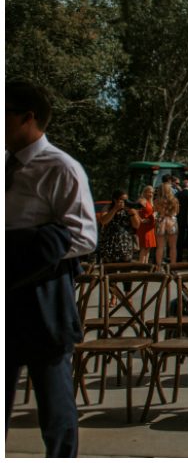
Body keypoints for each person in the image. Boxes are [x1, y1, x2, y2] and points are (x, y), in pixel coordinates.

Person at [6, 79, 98, 457]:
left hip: (42, 295)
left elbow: (84, 236)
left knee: (54, 401)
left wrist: (23, 250)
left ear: (28, 118)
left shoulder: (60, 167)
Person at [96, 189, 141, 265]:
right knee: (109, 269)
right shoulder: (108, 208)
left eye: (126, 200)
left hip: (125, 244)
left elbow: (136, 226)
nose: (124, 202)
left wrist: (132, 214)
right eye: (122, 200)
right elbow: (103, 221)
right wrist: (115, 209)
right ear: (115, 199)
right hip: (110, 243)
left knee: (124, 270)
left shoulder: (130, 209)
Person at [153, 182, 180, 267]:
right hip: (171, 221)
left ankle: (159, 267)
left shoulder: (157, 200)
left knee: (160, 247)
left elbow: (155, 211)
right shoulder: (174, 200)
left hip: (161, 221)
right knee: (173, 247)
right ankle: (173, 266)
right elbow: (177, 212)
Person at [135, 185, 156, 262]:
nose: (151, 194)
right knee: (144, 248)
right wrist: (140, 220)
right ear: (145, 192)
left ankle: (146, 267)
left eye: (152, 192)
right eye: (149, 192)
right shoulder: (142, 200)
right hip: (144, 227)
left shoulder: (150, 201)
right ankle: (141, 267)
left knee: (148, 248)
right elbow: (134, 210)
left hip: (150, 227)